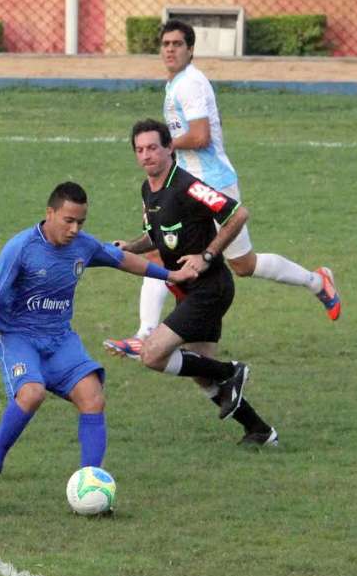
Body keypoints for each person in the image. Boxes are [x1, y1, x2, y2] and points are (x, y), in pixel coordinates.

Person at [104, 19, 340, 359]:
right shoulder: (176, 84)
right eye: (165, 44)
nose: (169, 49)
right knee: (216, 259)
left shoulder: (190, 85)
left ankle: (146, 333)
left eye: (177, 44)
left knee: (194, 255)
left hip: (210, 184)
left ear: (190, 49)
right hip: (194, 183)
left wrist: (164, 146)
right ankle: (317, 282)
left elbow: (201, 136)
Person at [0, 181, 198, 503]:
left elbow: (122, 260)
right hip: (20, 338)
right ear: (50, 214)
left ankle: (91, 485)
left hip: (60, 338)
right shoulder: (22, 247)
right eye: (68, 220)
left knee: (93, 398)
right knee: (31, 394)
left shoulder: (82, 246)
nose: (75, 229)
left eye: (81, 222)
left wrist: (170, 275)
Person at [115, 119, 278, 448]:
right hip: (187, 292)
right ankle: (260, 431)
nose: (146, 155)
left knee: (152, 355)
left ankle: (231, 370)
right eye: (140, 150)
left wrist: (206, 255)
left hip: (210, 289)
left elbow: (237, 214)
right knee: (202, 374)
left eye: (153, 148)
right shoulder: (149, 189)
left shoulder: (189, 186)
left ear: (169, 148)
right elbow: (159, 235)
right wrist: (130, 247)